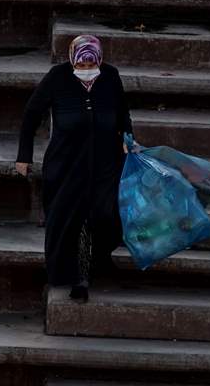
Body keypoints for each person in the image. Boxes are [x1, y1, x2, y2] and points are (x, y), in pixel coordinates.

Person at [15, 34, 137, 303]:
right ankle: (78, 278)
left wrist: (127, 138)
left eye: (90, 65)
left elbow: (122, 111)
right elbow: (32, 113)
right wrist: (24, 155)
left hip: (106, 161)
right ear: (72, 60)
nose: (85, 70)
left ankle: (96, 260)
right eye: (80, 66)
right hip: (66, 163)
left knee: (104, 213)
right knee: (72, 218)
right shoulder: (57, 77)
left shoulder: (111, 76)